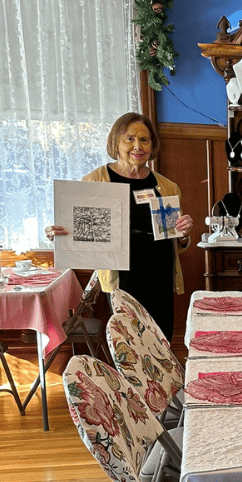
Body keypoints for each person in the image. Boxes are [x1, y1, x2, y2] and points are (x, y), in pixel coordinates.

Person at [45, 113, 193, 340]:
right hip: (122, 274)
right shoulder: (95, 180)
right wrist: (60, 235)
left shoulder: (167, 186)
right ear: (115, 142)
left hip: (159, 272)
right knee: (130, 340)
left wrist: (183, 234)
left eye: (145, 140)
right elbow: (81, 227)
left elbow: (176, 240)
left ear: (152, 145)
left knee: (161, 337)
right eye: (130, 139)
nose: (138, 146)